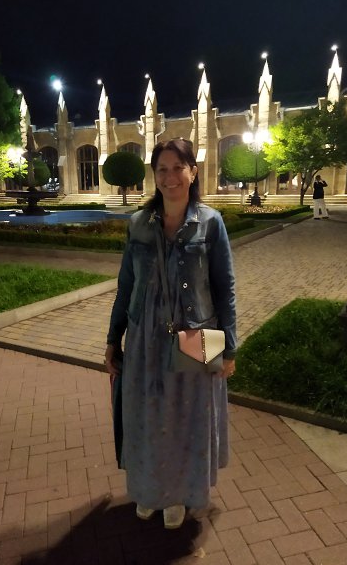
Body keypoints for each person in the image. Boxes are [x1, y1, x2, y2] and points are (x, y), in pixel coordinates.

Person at [105, 138, 237, 530]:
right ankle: (149, 490)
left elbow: (225, 288)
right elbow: (125, 286)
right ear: (154, 175)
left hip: (199, 332)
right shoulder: (138, 224)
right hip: (144, 335)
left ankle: (180, 493)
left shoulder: (211, 223)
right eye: (162, 169)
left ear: (193, 172)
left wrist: (229, 348)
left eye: (178, 167)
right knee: (146, 415)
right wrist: (113, 339)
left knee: (189, 418)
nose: (170, 176)